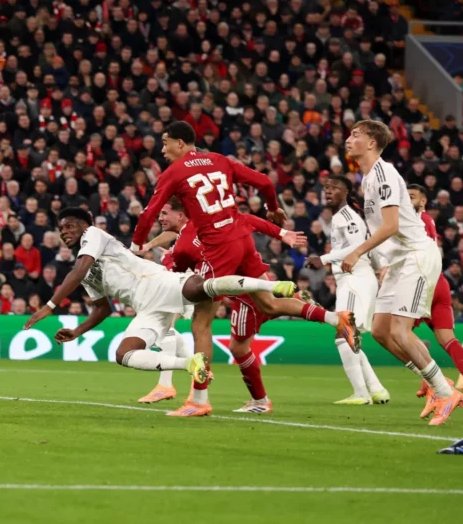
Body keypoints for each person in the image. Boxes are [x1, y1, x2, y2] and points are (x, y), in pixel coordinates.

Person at [131, 122, 360, 416]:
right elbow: (264, 181)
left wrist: (138, 244)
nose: (162, 150)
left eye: (165, 144)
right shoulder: (220, 160)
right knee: (267, 302)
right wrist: (273, 208)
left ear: (180, 143)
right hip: (242, 238)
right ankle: (335, 318)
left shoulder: (174, 173)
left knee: (201, 324)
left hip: (219, 245)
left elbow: (149, 212)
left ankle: (198, 401)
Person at [24, 208, 302, 383]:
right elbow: (102, 308)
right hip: (146, 309)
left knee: (204, 286)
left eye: (69, 226)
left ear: (85, 225)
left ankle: (270, 286)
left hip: (158, 282)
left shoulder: (94, 236)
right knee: (124, 354)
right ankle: (189, 363)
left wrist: (50, 305)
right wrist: (78, 331)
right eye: (61, 230)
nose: (64, 233)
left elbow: (79, 268)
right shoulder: (83, 272)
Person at [139, 198, 311, 413]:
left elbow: (179, 259)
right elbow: (246, 219)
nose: (160, 218)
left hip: (232, 287)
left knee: (215, 332)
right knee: (268, 307)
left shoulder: (192, 233)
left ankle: (201, 397)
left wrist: (167, 259)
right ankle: (184, 389)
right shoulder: (205, 222)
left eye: (164, 214)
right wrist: (150, 246)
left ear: (181, 213)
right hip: (227, 278)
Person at [342, 120, 462, 426]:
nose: (348, 139)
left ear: (371, 143)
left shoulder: (382, 174)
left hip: (416, 256)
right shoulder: (367, 178)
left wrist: (357, 251)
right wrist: (382, 263)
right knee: (381, 331)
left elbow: (392, 226)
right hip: (397, 261)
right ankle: (440, 383)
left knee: (399, 330)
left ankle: (443, 391)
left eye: (355, 135)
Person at [306, 176, 390, 405]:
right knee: (350, 336)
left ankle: (361, 394)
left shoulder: (347, 216)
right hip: (353, 279)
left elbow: (357, 247)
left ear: (347, 192)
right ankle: (376, 389)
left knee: (344, 334)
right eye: (326, 188)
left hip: (355, 278)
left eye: (335, 188)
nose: (329, 191)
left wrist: (322, 258)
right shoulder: (342, 216)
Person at [407, 184, 463, 402]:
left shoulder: (414, 220)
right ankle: (431, 380)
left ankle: (431, 381)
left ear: (423, 202)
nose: (405, 200)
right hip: (438, 281)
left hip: (422, 283)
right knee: (448, 340)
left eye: (411, 196)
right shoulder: (427, 221)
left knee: (396, 333)